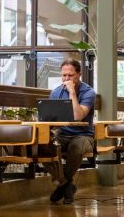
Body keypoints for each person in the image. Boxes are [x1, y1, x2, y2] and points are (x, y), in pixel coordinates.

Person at [45, 58, 95, 204]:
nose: (66, 79)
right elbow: (50, 118)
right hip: (62, 134)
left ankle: (62, 185)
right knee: (43, 147)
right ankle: (66, 185)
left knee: (76, 149)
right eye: (64, 75)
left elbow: (79, 116)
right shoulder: (56, 92)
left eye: (70, 75)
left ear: (78, 74)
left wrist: (72, 93)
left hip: (83, 135)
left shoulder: (88, 92)